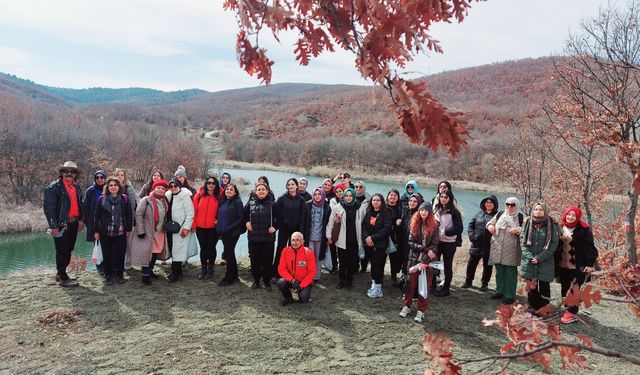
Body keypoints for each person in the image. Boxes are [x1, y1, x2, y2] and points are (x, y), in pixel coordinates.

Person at [44, 161, 85, 287]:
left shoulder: (77, 187)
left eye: (72, 171)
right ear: (61, 173)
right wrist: (54, 226)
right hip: (61, 225)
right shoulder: (53, 188)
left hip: (73, 223)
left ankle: (60, 273)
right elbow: (49, 208)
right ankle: (63, 277)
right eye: (66, 171)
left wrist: (81, 220)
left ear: (75, 174)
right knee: (62, 251)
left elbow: (80, 205)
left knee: (69, 250)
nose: (69, 173)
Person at [556, 206, 598, 324]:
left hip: (577, 266)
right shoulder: (559, 228)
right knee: (564, 287)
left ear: (578, 217)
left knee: (574, 289)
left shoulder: (583, 230)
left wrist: (590, 264)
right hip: (562, 265)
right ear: (565, 215)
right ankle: (568, 308)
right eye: (569, 215)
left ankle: (571, 313)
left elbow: (591, 249)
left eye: (573, 216)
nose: (570, 217)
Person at [400, 202, 439, 323]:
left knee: (424, 287)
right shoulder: (414, 224)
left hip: (427, 263)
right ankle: (406, 306)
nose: (423, 212)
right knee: (410, 285)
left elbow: (435, 244)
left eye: (426, 210)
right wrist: (425, 250)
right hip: (414, 260)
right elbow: (411, 243)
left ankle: (421, 310)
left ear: (430, 212)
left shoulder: (435, 226)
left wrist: (427, 257)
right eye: (421, 210)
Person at [93, 176, 134, 285]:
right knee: (107, 254)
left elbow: (129, 215)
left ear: (119, 186)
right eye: (110, 185)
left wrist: (129, 228)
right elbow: (96, 217)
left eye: (115, 185)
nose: (113, 187)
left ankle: (120, 275)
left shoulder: (124, 199)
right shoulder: (102, 199)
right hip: (105, 232)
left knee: (120, 254)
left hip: (120, 231)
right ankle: (108, 275)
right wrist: (96, 231)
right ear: (107, 187)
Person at [520, 202, 559, 313]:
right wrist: (530, 257)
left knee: (544, 287)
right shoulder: (527, 223)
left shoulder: (552, 225)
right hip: (529, 262)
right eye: (536, 209)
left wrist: (539, 258)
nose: (538, 211)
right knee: (531, 287)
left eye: (540, 209)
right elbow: (522, 242)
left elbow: (553, 244)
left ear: (545, 211)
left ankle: (543, 310)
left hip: (545, 262)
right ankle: (532, 307)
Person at [130, 179, 170, 285]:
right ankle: (145, 275)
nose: (161, 190)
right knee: (147, 254)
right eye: (158, 188)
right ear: (154, 188)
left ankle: (150, 270)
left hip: (160, 232)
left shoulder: (165, 200)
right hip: (148, 231)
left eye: (163, 188)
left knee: (155, 253)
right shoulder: (146, 200)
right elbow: (138, 214)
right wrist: (140, 230)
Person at [486, 197, 523, 304]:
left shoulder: (520, 217)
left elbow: (526, 229)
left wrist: (518, 229)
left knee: (510, 273)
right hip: (497, 248)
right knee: (499, 272)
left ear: (516, 205)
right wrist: (490, 227)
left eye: (512, 205)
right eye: (508, 204)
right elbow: (489, 223)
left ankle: (509, 295)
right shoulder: (500, 214)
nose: (510, 207)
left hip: (512, 249)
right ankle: (499, 291)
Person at [326, 187, 363, 289]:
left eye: (350, 196)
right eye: (346, 196)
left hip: (354, 239)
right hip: (342, 239)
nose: (348, 198)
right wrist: (329, 236)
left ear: (354, 196)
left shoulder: (359, 207)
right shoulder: (338, 206)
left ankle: (349, 280)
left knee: (352, 262)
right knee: (342, 262)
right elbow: (330, 222)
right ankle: (341, 280)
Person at [245, 182, 279, 290]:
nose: (261, 191)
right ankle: (256, 280)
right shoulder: (250, 203)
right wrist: (247, 223)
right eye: (259, 189)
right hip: (253, 238)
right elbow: (243, 215)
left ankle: (266, 282)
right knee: (255, 260)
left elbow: (281, 219)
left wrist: (275, 227)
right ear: (255, 191)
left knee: (267, 261)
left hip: (268, 239)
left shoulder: (273, 204)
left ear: (267, 191)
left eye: (263, 189)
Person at [463, 195, 498, 290]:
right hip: (476, 245)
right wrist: (472, 237)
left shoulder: (498, 216)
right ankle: (468, 282)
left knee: (488, 267)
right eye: (487, 202)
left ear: (495, 204)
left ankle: (484, 284)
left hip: (490, 246)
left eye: (491, 202)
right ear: (484, 203)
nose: (489, 204)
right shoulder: (478, 214)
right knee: (471, 264)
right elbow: (471, 226)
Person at [273, 178, 306, 281]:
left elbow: (302, 217)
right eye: (289, 184)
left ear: (297, 186)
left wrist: (300, 231)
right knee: (281, 250)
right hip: (283, 228)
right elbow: (275, 212)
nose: (290, 186)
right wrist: (278, 224)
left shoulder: (301, 200)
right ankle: (275, 273)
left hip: (295, 231)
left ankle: (291, 273)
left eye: (292, 184)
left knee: (293, 251)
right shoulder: (282, 198)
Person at [433, 189, 464, 297]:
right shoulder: (437, 209)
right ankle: (433, 285)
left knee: (447, 266)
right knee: (434, 264)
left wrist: (446, 232)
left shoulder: (454, 212)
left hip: (449, 243)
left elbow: (459, 228)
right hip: (437, 242)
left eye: (446, 197)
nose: (443, 199)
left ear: (450, 198)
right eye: (441, 197)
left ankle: (446, 289)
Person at [362, 193, 393, 298]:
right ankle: (374, 285)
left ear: (382, 201)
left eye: (378, 200)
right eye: (374, 200)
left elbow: (386, 229)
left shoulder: (385, 213)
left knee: (377, 266)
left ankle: (378, 288)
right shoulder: (369, 212)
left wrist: (373, 238)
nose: (375, 202)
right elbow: (364, 226)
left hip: (380, 244)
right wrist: (366, 237)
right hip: (369, 244)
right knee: (373, 266)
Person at [165, 178, 195, 282]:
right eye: (171, 186)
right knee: (172, 249)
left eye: (175, 186)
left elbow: (190, 213)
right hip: (170, 227)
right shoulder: (168, 196)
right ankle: (177, 271)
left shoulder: (185, 196)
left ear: (179, 186)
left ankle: (175, 273)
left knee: (178, 250)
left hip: (181, 228)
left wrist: (186, 228)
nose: (173, 188)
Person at [276, 232, 317, 305]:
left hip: (303, 282)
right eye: (293, 240)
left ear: (302, 241)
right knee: (281, 282)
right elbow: (281, 269)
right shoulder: (285, 251)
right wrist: (292, 280)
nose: (294, 242)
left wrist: (301, 286)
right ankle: (287, 297)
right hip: (291, 280)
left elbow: (312, 272)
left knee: (303, 298)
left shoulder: (308, 252)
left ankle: (300, 292)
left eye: (297, 240)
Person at [216, 183, 245, 286]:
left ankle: (228, 278)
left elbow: (241, 219)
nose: (228, 191)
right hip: (224, 232)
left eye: (231, 189)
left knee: (229, 253)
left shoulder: (237, 202)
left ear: (235, 192)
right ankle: (235, 276)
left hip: (232, 232)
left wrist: (229, 228)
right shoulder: (223, 201)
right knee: (230, 253)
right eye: (227, 189)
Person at [192, 175, 220, 280]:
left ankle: (210, 268)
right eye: (209, 183)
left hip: (213, 228)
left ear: (216, 185)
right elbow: (193, 211)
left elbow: (222, 212)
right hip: (200, 227)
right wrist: (193, 226)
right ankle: (203, 269)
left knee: (211, 248)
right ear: (206, 184)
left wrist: (219, 221)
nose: (211, 185)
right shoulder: (199, 195)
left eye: (213, 183)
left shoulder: (219, 196)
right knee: (203, 248)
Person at [301, 187, 330, 281]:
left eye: (319, 194)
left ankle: (316, 276)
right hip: (309, 236)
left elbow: (329, 223)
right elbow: (303, 222)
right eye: (315, 194)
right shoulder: (307, 205)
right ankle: (307, 275)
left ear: (323, 195)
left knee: (319, 257)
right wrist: (302, 236)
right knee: (309, 257)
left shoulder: (327, 207)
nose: (317, 196)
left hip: (321, 237)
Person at [82, 169, 107, 275]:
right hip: (95, 223)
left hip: (108, 224)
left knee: (109, 246)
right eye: (97, 177)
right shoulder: (90, 191)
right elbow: (85, 208)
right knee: (97, 245)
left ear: (105, 178)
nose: (100, 179)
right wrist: (88, 223)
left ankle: (109, 266)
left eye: (102, 177)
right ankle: (100, 268)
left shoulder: (109, 189)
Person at [115, 167, 138, 270]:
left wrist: (131, 222)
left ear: (124, 177)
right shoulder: (113, 188)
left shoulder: (128, 189)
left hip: (127, 221)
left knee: (128, 244)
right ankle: (119, 264)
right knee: (118, 244)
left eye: (122, 175)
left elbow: (132, 207)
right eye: (118, 175)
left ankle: (128, 264)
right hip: (115, 221)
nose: (120, 177)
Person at [399, 193, 424, 277]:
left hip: (412, 243)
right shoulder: (406, 211)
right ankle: (404, 277)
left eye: (414, 201)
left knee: (410, 261)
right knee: (403, 259)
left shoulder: (419, 215)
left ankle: (409, 279)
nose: (412, 203)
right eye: (410, 201)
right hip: (403, 240)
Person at [387, 189, 403, 286]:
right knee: (381, 257)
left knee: (394, 259)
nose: (393, 197)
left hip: (395, 237)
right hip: (383, 236)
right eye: (391, 195)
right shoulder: (383, 207)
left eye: (395, 196)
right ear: (388, 196)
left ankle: (393, 277)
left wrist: (399, 223)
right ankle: (379, 275)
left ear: (398, 198)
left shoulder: (400, 210)